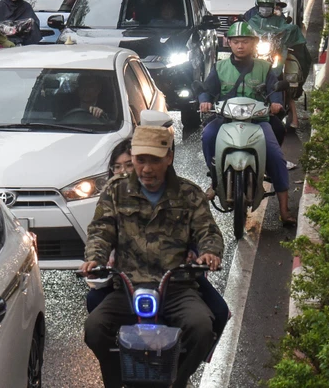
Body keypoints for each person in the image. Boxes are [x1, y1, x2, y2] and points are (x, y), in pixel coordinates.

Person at [81, 114, 224, 388]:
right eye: (140, 159)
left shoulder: (189, 194)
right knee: (94, 329)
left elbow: (208, 232)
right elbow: (101, 229)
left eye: (155, 160)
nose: (147, 169)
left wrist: (210, 253)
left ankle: (177, 381)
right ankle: (115, 381)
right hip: (127, 288)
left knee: (202, 328)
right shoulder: (115, 191)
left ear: (169, 158)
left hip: (177, 288)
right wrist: (95, 258)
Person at [199, 21, 295, 225]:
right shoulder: (220, 67)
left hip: (258, 121)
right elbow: (206, 89)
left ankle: (284, 210)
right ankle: (215, 180)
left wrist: (276, 104)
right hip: (225, 119)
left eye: (245, 41)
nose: (240, 46)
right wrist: (205, 101)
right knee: (208, 136)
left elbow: (275, 89)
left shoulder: (265, 68)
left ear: (253, 44)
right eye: (236, 42)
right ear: (229, 43)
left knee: (277, 157)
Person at [246, 0, 312, 129]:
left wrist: (287, 36)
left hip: (276, 54)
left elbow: (288, 29)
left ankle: (294, 117)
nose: (265, 8)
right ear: (258, 6)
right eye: (262, 6)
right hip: (257, 55)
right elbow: (245, 32)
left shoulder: (279, 20)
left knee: (287, 80)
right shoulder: (252, 21)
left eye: (268, 6)